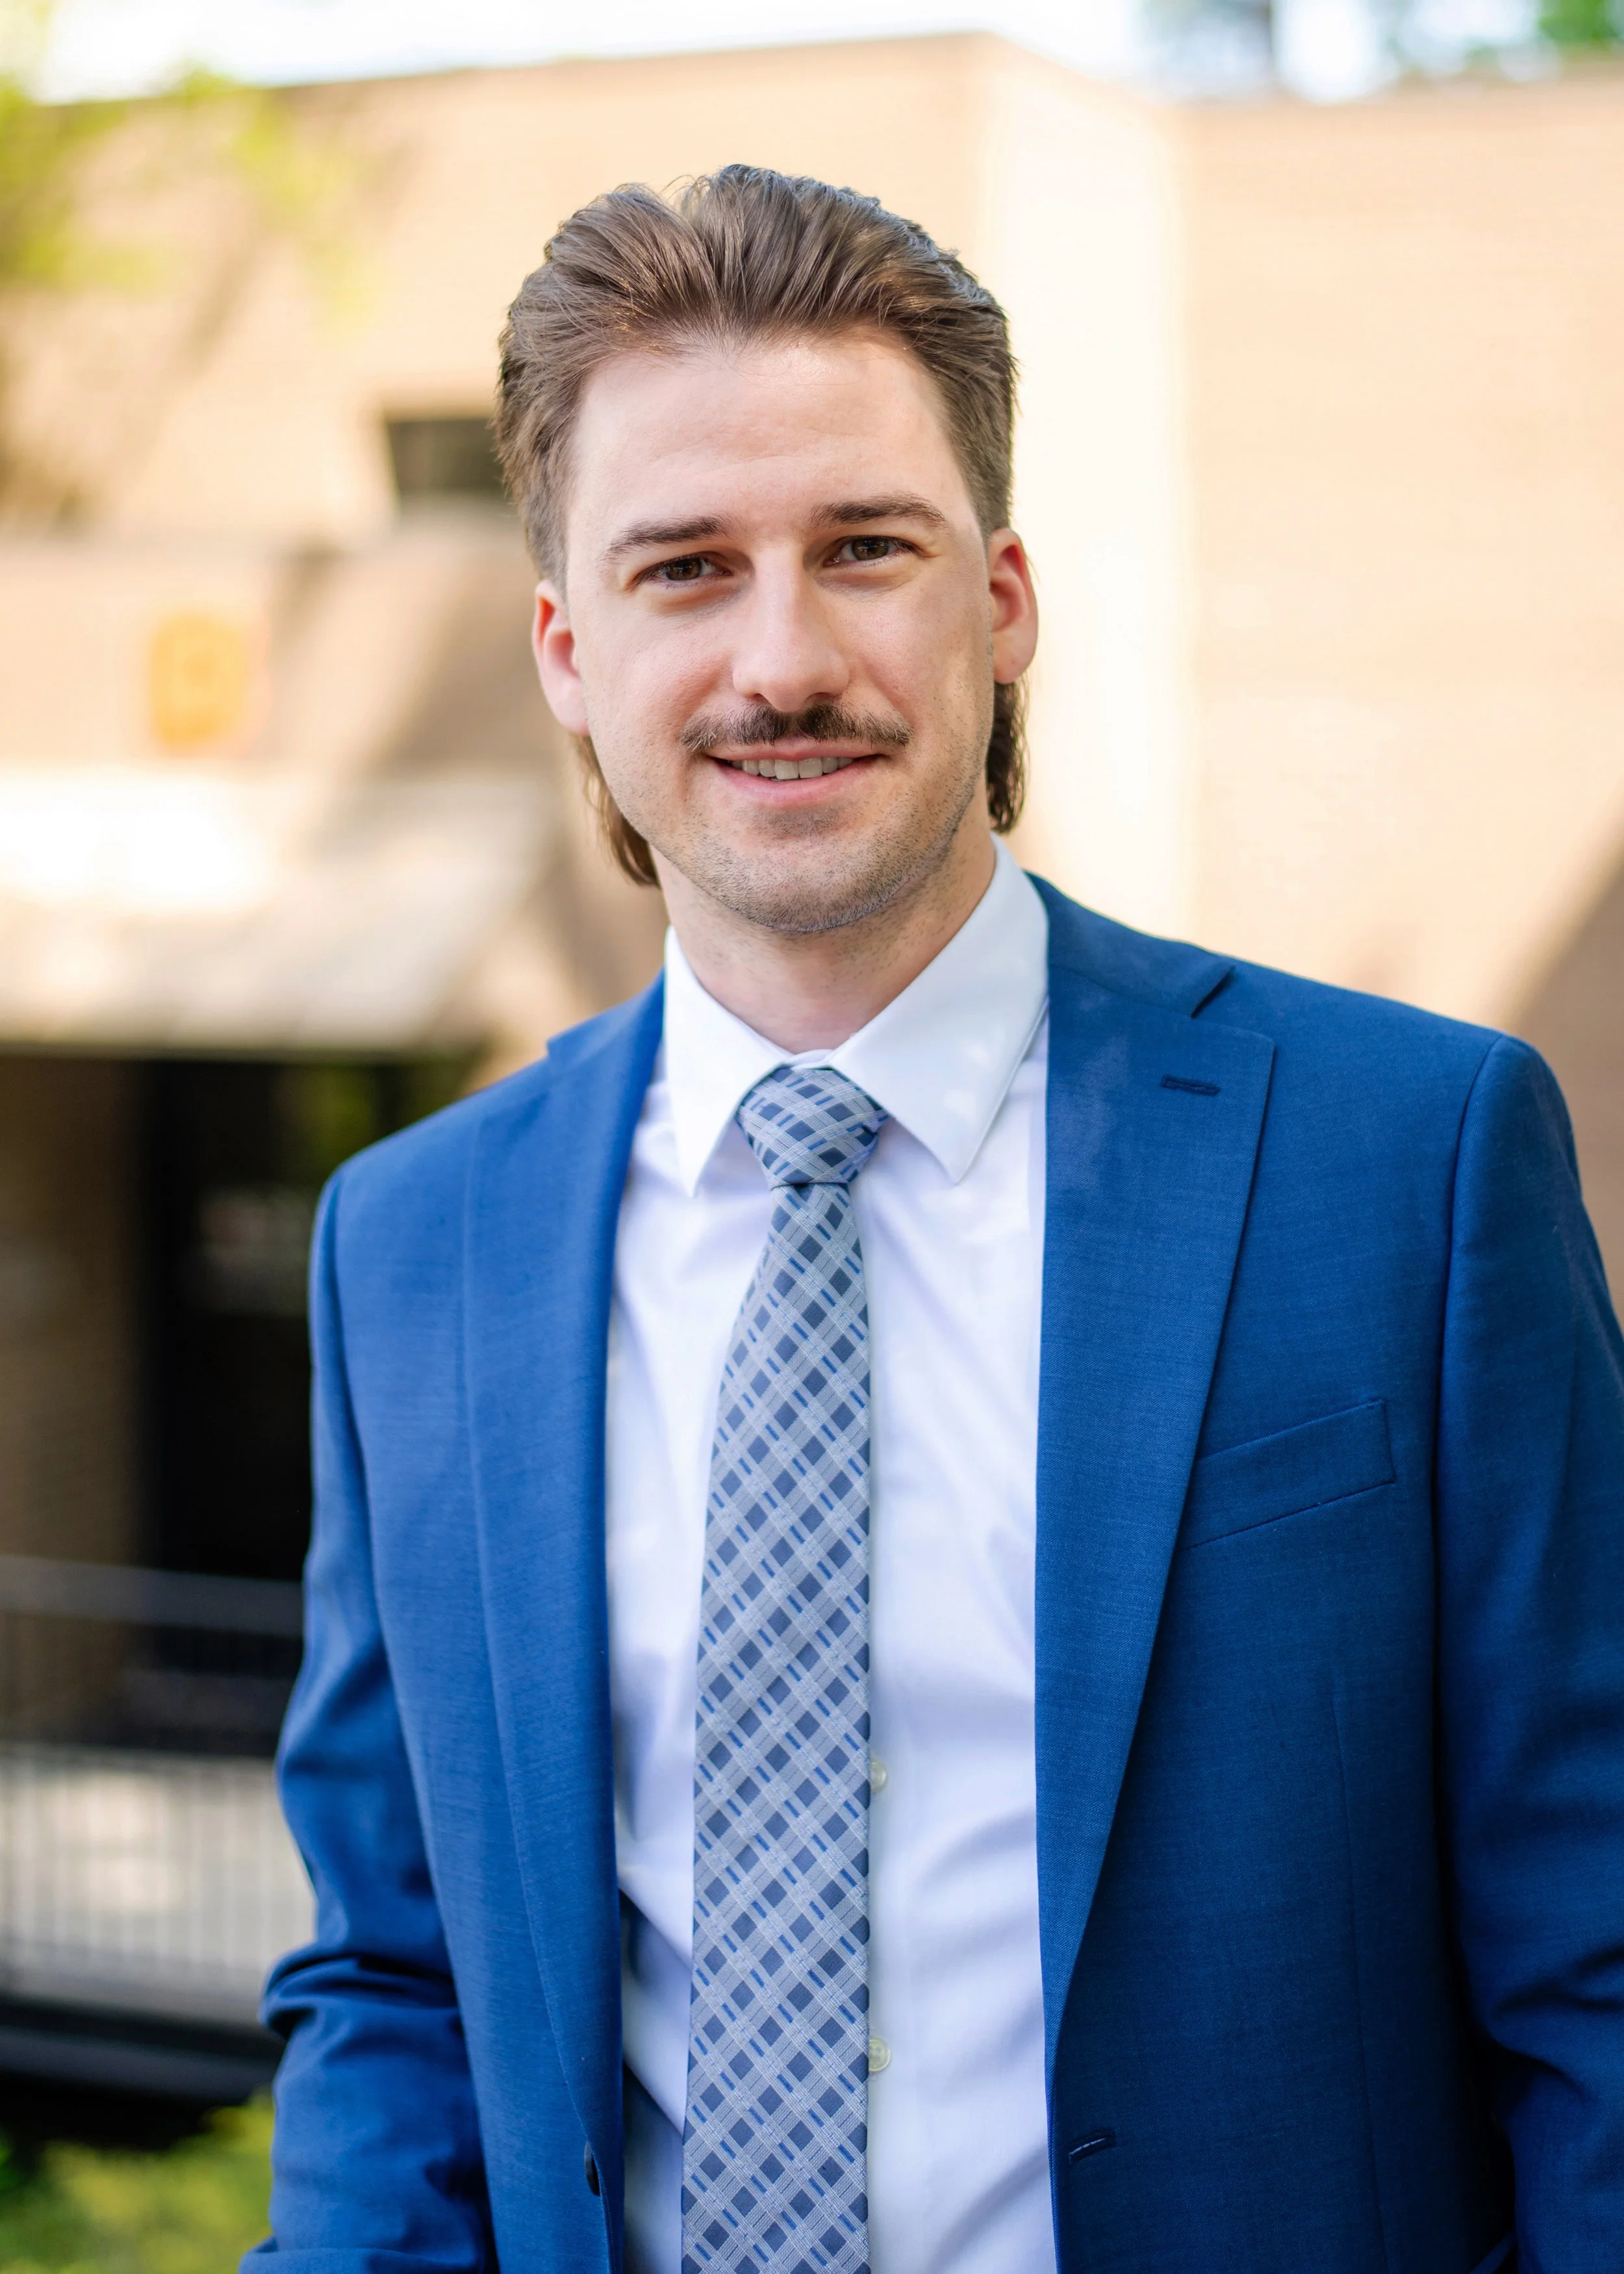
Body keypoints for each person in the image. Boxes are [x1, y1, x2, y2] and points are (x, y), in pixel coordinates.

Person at [251, 168, 1624, 2274]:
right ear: (566, 648)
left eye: (862, 551)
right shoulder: (409, 1249)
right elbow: (397, 1979)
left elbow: (1596, 1965)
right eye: (684, 569)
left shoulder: (1410, 1165)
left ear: (999, 599)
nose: (780, 658)